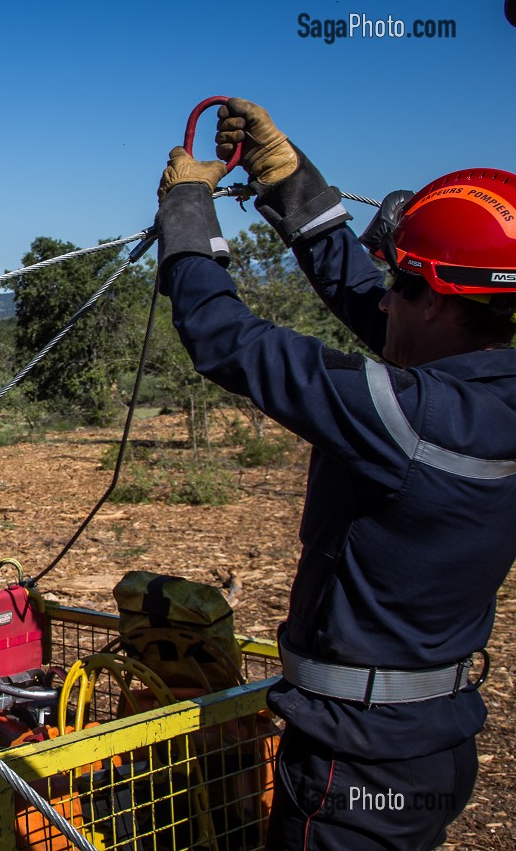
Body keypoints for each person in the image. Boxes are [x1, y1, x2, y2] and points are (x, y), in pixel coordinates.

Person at [153, 96, 516, 850]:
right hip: (431, 744)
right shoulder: (481, 398)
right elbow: (378, 308)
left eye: (401, 283)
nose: (384, 299)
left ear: (439, 303)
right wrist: (290, 182)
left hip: (358, 765)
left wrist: (186, 211)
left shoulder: (410, 419)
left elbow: (228, 339)